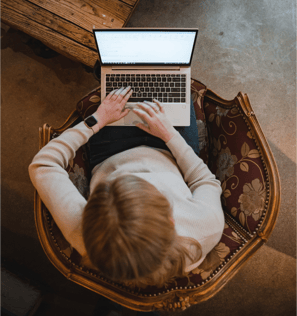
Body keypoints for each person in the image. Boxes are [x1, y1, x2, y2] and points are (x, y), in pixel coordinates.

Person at [29, 85, 225, 316]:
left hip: (110, 152)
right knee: (173, 81)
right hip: (172, 152)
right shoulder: (205, 227)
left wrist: (96, 120)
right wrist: (170, 135)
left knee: (120, 81)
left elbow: (43, 165)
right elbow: (205, 181)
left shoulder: (83, 229)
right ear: (171, 221)